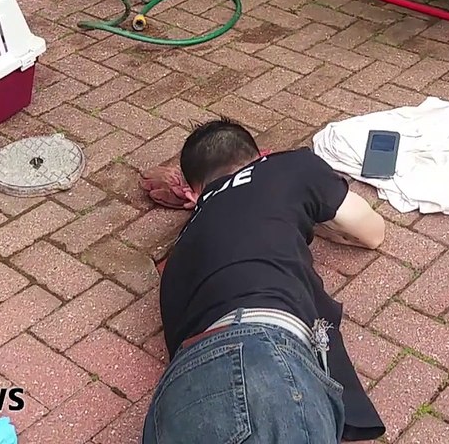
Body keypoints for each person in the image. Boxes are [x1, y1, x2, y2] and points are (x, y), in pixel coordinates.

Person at [144, 119, 388, 443]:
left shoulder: (179, 249)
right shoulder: (290, 166)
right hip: (259, 355)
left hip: (176, 389)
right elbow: (372, 232)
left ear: (193, 192)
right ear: (262, 155)